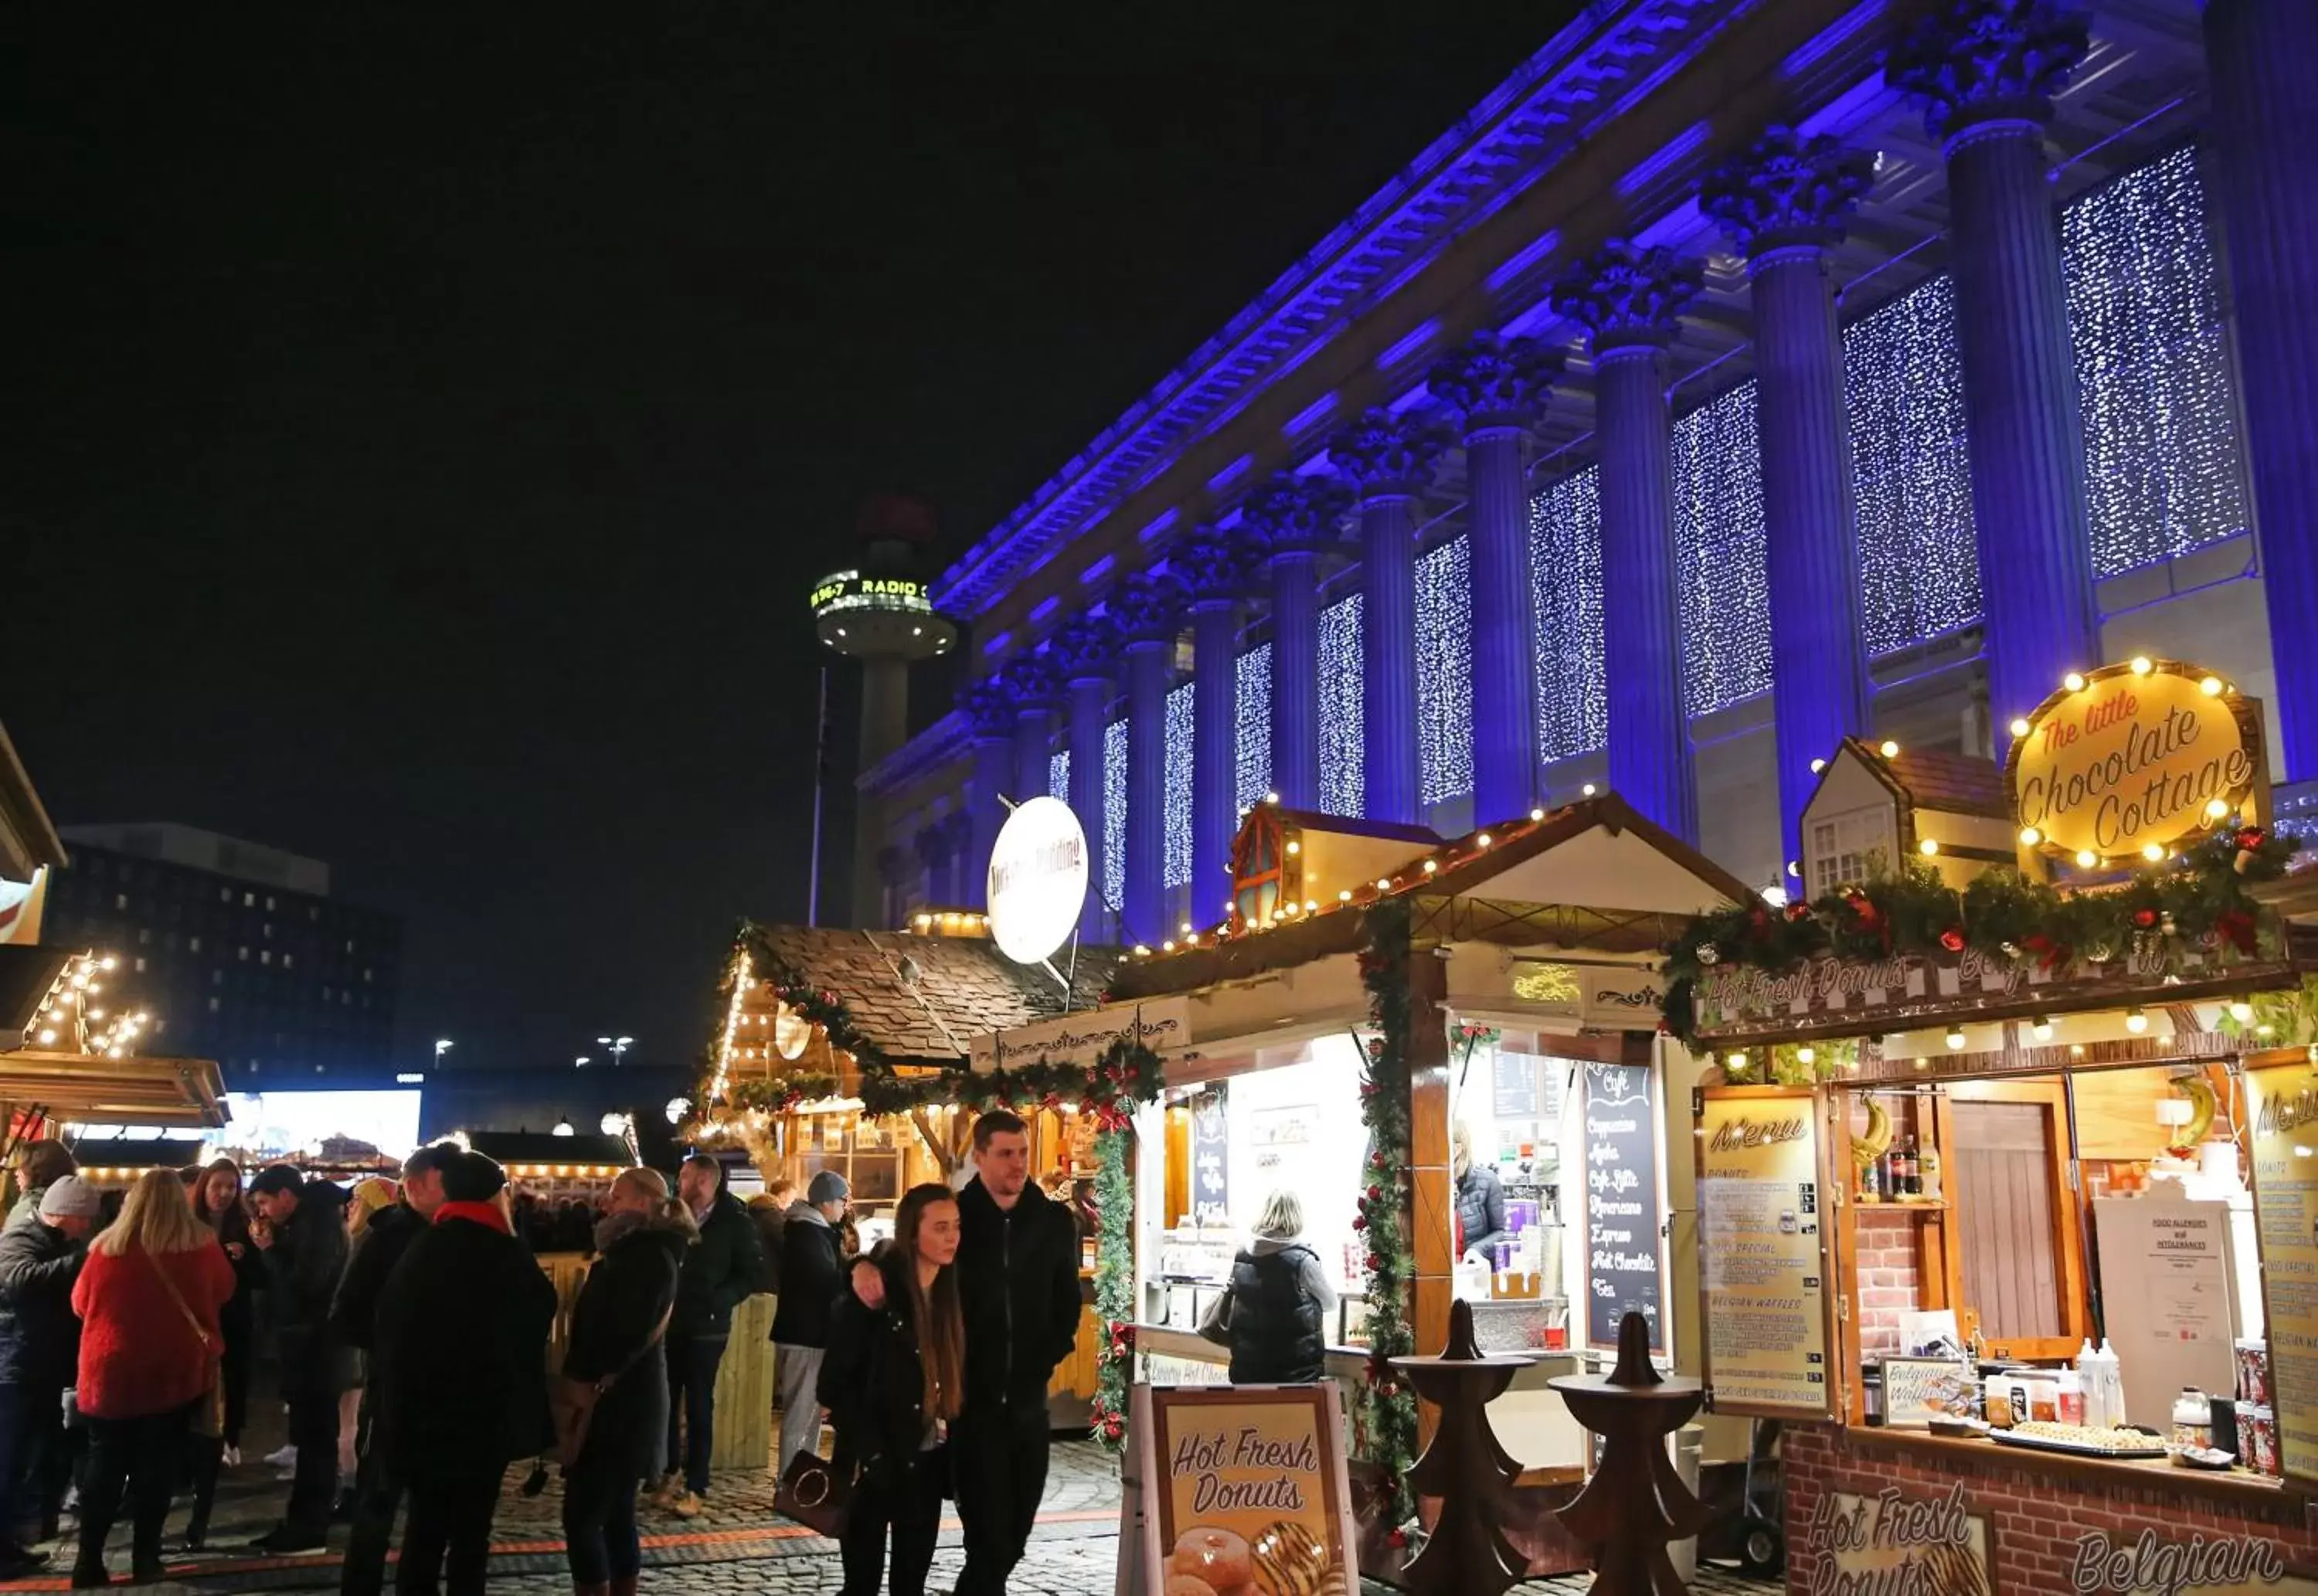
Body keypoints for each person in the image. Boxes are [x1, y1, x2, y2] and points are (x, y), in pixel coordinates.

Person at [853, 1109, 1079, 1596]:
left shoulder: (1055, 1222)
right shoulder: (960, 1217)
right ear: (979, 1157)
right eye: (1004, 1154)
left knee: (1015, 1536)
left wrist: (1048, 1355)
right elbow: (904, 1258)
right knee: (988, 1539)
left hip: (1027, 1403)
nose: (1017, 1164)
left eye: (1022, 1153)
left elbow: (1067, 1304)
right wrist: (858, 1266)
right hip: (971, 1409)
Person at [372, 1152, 554, 1596]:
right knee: (472, 1533)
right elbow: (540, 1310)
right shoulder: (506, 1250)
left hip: (422, 1416)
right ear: (496, 1196)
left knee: (425, 1527)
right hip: (483, 1419)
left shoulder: (425, 1248)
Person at [69, 1169, 233, 1588]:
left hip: (109, 1376)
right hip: (171, 1376)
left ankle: (88, 1562)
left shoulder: (107, 1247)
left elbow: (79, 1304)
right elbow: (226, 1290)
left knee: (103, 1467)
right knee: (156, 1469)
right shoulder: (201, 1247)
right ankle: (146, 1559)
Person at [821, 1183, 964, 1596]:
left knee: (911, 1583)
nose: (951, 1236)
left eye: (955, 1226)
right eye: (940, 1227)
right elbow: (834, 1383)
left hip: (927, 1461)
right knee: (861, 1583)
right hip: (875, 1461)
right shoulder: (876, 1296)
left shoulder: (951, 1295)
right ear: (912, 1233)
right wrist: (872, 1450)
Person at [331, 1142, 459, 1596]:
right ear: (420, 1184)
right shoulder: (388, 1237)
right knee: (377, 1504)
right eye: (449, 1181)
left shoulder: (458, 1236)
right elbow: (347, 1313)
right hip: (392, 1394)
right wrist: (393, 1349)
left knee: (429, 1511)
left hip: (441, 1398)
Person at [561, 1168, 693, 1596]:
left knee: (583, 1515)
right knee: (616, 1512)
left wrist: (581, 1376)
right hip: (626, 1397)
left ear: (641, 1203)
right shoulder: (641, 1252)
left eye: (616, 1197)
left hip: (619, 1403)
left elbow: (619, 1330)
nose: (607, 1204)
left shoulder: (644, 1256)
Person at [651, 1155, 766, 1519]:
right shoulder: (672, 1218)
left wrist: (721, 1300)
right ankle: (667, 1471)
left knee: (700, 1403)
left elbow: (749, 1273)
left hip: (708, 1328)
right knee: (666, 1400)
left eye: (684, 1176)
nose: (678, 1182)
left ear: (703, 1180)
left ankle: (696, 1484)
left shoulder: (735, 1222)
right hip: (669, 1322)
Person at [245, 1163, 350, 1552]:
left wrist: (269, 1250)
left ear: (286, 1196)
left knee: (316, 1441)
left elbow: (303, 1288)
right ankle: (304, 1520)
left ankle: (308, 1526)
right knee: (312, 1439)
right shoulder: (310, 1224)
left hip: (315, 1350)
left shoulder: (317, 1227)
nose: (263, 1212)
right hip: (310, 1347)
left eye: (264, 1202)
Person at [0, 1176, 97, 1574]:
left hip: (36, 1365)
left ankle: (10, 1544)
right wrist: (80, 1260)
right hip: (13, 1366)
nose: (87, 1227)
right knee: (7, 1459)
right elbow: (19, 1279)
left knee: (24, 1459)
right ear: (69, 1215)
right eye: (84, 1219)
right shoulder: (21, 1236)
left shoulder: (57, 1242)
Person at [182, 1160, 263, 1551]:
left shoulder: (244, 1228)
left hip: (231, 1323)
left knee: (229, 1385)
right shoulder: (186, 1223)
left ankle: (224, 1442)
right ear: (204, 1186)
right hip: (192, 1325)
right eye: (219, 1185)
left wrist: (247, 1256)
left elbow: (261, 1280)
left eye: (232, 1186)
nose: (225, 1193)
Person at [1201, 1190, 1337, 1385]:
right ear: (1297, 1217)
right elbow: (1331, 1303)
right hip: (1294, 1376)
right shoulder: (1302, 1261)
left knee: (1252, 1417)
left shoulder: (1242, 1256)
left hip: (1247, 1371)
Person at [770, 1171, 848, 1476]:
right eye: (843, 1200)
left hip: (808, 1334)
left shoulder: (812, 1231)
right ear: (827, 1202)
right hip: (806, 1336)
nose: (844, 1207)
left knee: (810, 1414)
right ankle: (789, 1483)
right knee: (801, 1414)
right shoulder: (808, 1234)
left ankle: (800, 1481)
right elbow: (824, 1282)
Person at [1452, 1123, 1509, 1264]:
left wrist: (1477, 1249)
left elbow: (1501, 1232)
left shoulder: (1487, 1180)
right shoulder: (1435, 1183)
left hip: (1472, 1271)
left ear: (1457, 1149)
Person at [4, 1145, 76, 1235]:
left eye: (22, 1167)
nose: (16, 1173)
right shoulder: (74, 1205)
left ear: (37, 1170)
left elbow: (12, 1247)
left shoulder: (30, 1209)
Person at [747, 1179, 794, 1291]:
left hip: (748, 1284)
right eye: (792, 1200)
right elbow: (790, 1247)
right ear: (783, 1196)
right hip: (770, 1284)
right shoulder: (774, 1218)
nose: (793, 1204)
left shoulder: (749, 1215)